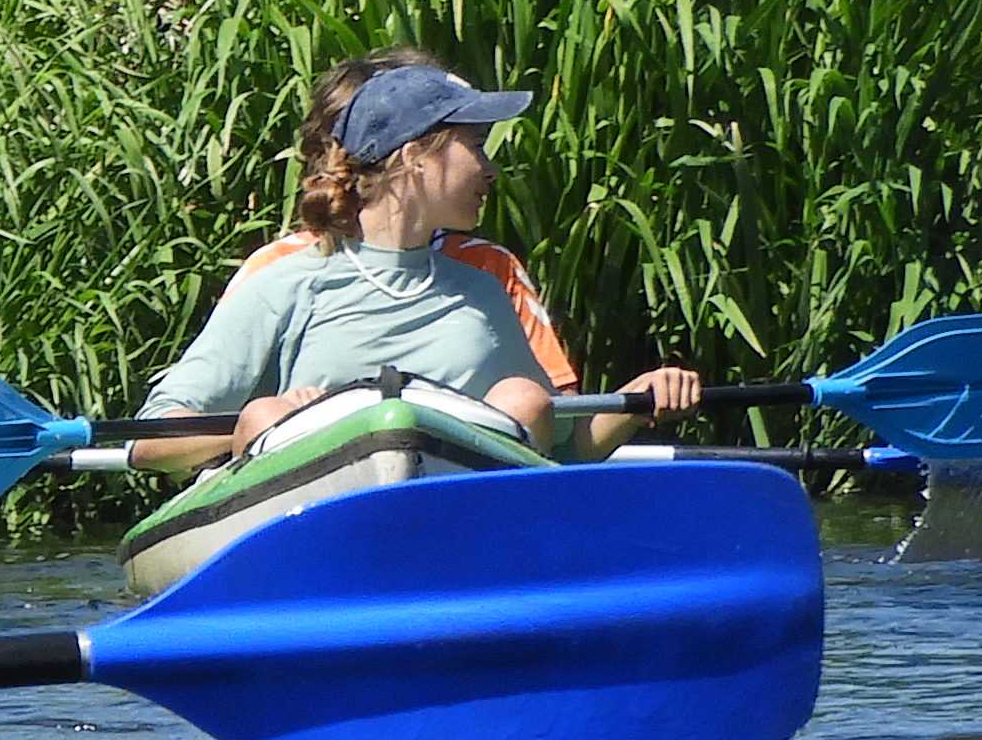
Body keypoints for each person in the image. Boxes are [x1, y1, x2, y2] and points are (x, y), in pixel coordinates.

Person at [138, 47, 703, 459]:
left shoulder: (483, 290)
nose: (491, 170)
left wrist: (636, 401)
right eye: (475, 147)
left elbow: (567, 448)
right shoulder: (285, 282)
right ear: (416, 157)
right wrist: (263, 423)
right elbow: (152, 435)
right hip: (311, 513)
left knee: (525, 398)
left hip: (459, 514)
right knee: (264, 413)